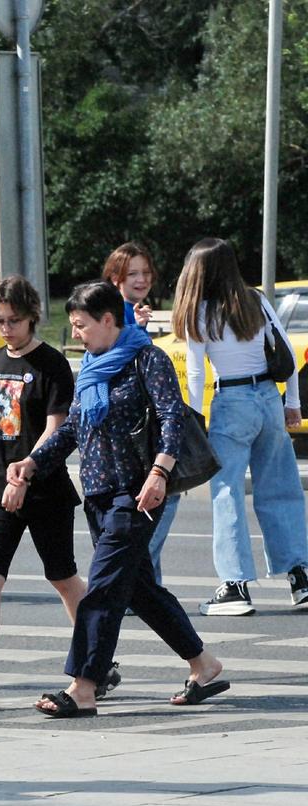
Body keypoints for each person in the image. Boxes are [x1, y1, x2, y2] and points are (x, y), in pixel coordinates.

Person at [10, 280, 228, 717]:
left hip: (138, 493)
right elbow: (73, 428)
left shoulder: (148, 359)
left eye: (81, 325)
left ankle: (83, 686)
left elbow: (172, 417)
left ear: (109, 320)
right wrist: (32, 462)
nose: (77, 334)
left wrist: (160, 473)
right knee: (140, 590)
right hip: (98, 494)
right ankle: (204, 665)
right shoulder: (91, 366)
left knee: (104, 587)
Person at [0, 276, 119, 711]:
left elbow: (54, 430)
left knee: (63, 578)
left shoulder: (50, 365)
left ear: (32, 317)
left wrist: (23, 478)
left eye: (14, 320)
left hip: (43, 488)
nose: (6, 328)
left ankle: (98, 661)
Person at [171, 237, 308, 615]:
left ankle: (235, 587)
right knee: (281, 489)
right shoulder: (256, 300)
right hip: (267, 397)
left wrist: (194, 422)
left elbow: (197, 374)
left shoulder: (200, 313)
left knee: (226, 492)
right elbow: (287, 353)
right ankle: (300, 577)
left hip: (231, 402)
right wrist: (291, 403)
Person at [104, 242, 176, 589]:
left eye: (146, 272)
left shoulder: (129, 310)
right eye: (133, 273)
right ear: (115, 276)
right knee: (162, 498)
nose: (142, 279)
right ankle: (141, 585)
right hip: (133, 429)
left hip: (133, 426)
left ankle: (144, 585)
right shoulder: (116, 312)